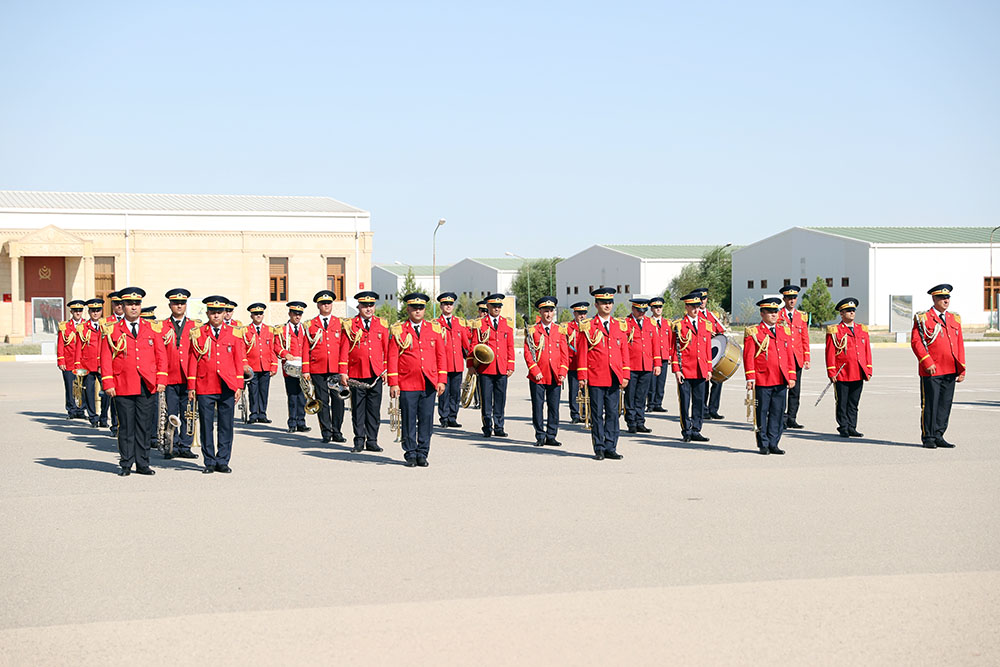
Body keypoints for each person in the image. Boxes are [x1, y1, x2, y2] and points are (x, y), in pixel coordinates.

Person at [100, 287, 167, 476]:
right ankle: (126, 463)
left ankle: (143, 463)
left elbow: (161, 356)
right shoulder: (112, 329)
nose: (134, 307)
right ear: (122, 306)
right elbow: (105, 358)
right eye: (129, 304)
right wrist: (108, 383)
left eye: (137, 304)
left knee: (144, 427)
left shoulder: (152, 328)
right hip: (123, 384)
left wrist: (161, 379)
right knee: (126, 427)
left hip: (147, 384)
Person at [187, 296, 246, 473]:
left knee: (226, 425)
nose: (216, 316)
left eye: (219, 312)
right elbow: (192, 361)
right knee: (206, 425)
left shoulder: (234, 333)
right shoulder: (198, 333)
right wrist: (191, 386)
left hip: (227, 385)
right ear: (207, 313)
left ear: (224, 313)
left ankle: (223, 460)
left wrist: (239, 385)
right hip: (205, 384)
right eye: (213, 312)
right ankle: (209, 461)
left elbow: (238, 360)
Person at [387, 293, 446, 467]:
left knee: (426, 419)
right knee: (409, 420)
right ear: (408, 309)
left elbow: (441, 356)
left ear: (424, 310)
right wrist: (393, 383)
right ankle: (410, 452)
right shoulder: (399, 330)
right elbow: (392, 357)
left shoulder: (434, 329)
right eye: (414, 308)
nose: (418, 311)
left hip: (428, 382)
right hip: (407, 382)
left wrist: (441, 379)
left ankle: (423, 452)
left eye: (421, 308)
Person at [575, 287, 630, 460]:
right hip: (596, 376)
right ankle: (599, 447)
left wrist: (626, 374)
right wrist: (582, 376)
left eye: (610, 302)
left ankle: (611, 446)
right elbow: (582, 353)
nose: (607, 305)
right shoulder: (588, 326)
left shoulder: (619, 325)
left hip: (614, 376)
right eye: (604, 303)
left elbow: (624, 351)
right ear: (596, 305)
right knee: (597, 414)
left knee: (613, 413)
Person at [911, 284, 966, 449]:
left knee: (944, 404)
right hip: (932, 369)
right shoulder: (923, 318)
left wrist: (961, 368)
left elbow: (959, 344)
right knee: (930, 404)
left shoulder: (954, 318)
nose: (946, 300)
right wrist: (926, 361)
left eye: (947, 297)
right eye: (942, 298)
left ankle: (939, 435)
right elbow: (916, 342)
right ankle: (928, 436)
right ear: (934, 299)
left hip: (950, 368)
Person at [743, 297, 797, 455]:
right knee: (761, 413)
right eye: (770, 312)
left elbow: (789, 355)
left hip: (780, 378)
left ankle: (774, 442)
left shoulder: (784, 331)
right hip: (763, 379)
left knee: (778, 412)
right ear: (762, 314)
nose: (774, 314)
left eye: (776, 311)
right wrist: (750, 377)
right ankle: (763, 443)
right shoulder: (754, 332)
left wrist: (791, 375)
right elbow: (748, 356)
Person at [338, 291, 389, 453]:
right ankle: (359, 441)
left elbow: (387, 350)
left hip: (376, 374)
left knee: (374, 409)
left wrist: (386, 370)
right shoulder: (350, 325)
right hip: (357, 373)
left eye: (371, 305)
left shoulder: (382, 324)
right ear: (358, 307)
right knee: (358, 409)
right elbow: (344, 350)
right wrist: (343, 372)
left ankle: (372, 441)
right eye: (365, 306)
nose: (368, 309)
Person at [524, 296, 569, 446]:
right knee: (538, 407)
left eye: (551, 311)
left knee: (554, 407)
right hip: (538, 376)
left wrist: (562, 372)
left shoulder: (559, 330)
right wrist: (534, 370)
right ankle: (540, 435)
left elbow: (564, 354)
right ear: (540, 312)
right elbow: (528, 353)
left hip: (555, 375)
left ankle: (551, 435)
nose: (549, 314)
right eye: (545, 311)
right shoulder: (533, 330)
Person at [160, 288, 199, 458]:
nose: (179, 306)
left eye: (182, 303)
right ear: (170, 305)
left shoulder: (194, 326)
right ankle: (171, 445)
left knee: (188, 413)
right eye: (176, 303)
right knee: (171, 413)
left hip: (188, 376)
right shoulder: (162, 326)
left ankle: (185, 446)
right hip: (170, 376)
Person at [825, 298, 872, 438]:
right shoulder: (835, 330)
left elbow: (866, 351)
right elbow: (830, 352)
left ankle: (852, 426)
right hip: (843, 372)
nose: (852, 313)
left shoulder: (861, 329)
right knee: (842, 402)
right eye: (848, 311)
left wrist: (868, 369)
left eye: (853, 310)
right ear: (841, 313)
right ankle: (843, 426)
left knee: (854, 402)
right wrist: (831, 371)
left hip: (858, 371)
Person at [470, 293, 515, 437]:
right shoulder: (480, 324)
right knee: (486, 399)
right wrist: (471, 365)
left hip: (501, 367)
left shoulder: (506, 323)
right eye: (494, 306)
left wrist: (511, 365)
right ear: (488, 306)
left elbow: (510, 346)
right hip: (485, 368)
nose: (496, 309)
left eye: (499, 306)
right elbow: (473, 345)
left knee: (500, 399)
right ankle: (487, 426)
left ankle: (499, 426)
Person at [670, 292, 713, 442]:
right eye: (692, 306)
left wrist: (709, 368)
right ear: (686, 307)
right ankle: (686, 430)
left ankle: (696, 429)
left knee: (699, 402)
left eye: (697, 306)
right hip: (685, 369)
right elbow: (674, 349)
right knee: (685, 402)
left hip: (700, 369)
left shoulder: (705, 324)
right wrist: (677, 370)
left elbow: (707, 348)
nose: (696, 309)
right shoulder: (679, 325)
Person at [306, 290, 346, 444]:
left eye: (329, 303)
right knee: (322, 401)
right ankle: (326, 432)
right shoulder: (310, 324)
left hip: (335, 368)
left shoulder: (340, 323)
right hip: (318, 368)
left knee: (338, 400)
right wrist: (305, 370)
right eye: (323, 303)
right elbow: (305, 348)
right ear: (318, 305)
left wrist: (344, 369)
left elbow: (344, 347)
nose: (326, 305)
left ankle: (337, 431)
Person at [624, 297, 661, 433]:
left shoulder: (650, 323)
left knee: (641, 395)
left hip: (646, 365)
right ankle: (631, 422)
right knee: (630, 396)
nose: (642, 313)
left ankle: (640, 421)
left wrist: (657, 364)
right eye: (639, 310)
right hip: (631, 365)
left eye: (644, 311)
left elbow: (655, 344)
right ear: (633, 309)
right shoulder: (626, 323)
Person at [274, 301, 312, 434]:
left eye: (300, 314)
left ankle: (301, 422)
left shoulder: (305, 329)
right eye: (295, 314)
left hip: (303, 367)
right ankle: (292, 423)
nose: (297, 317)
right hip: (290, 368)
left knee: (303, 395)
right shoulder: (282, 329)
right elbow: (276, 345)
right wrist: (285, 354)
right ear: (289, 314)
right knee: (292, 396)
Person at [778, 284, 811, 429]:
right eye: (789, 298)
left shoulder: (801, 316)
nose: (792, 300)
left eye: (794, 298)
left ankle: (792, 417)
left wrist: (807, 358)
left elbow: (805, 338)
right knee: (781, 390)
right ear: (784, 299)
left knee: (795, 391)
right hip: (783, 358)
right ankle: (781, 418)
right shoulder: (778, 315)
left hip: (797, 358)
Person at [435, 292, 468, 428]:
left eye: (450, 304)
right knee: (443, 392)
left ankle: (452, 417)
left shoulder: (459, 323)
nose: (448, 306)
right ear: (441, 306)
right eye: (445, 304)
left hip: (457, 364)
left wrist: (472, 360)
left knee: (455, 392)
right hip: (443, 365)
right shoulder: (436, 324)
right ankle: (444, 417)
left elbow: (466, 344)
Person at [695, 288, 727, 420]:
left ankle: (713, 409)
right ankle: (703, 409)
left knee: (718, 381)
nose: (702, 301)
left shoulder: (712, 315)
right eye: (700, 299)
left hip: (715, 352)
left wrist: (718, 334)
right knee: (703, 383)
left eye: (704, 299)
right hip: (702, 353)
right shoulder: (695, 315)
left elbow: (721, 331)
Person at [244, 302, 278, 424]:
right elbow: (243, 349)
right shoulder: (246, 330)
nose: (258, 316)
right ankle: (253, 414)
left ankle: (262, 413)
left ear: (263, 315)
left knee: (264, 391)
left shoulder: (269, 330)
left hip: (265, 365)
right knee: (253, 391)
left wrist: (274, 365)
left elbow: (273, 349)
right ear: (251, 316)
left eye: (260, 313)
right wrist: (245, 364)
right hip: (252, 366)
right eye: (255, 314)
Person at [73, 298, 105, 427]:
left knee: (106, 393)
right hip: (87, 365)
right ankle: (93, 417)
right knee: (89, 392)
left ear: (101, 311)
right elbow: (78, 348)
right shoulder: (83, 328)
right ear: (89, 312)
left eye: (98, 310)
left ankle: (103, 416)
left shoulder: (106, 326)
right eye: (93, 311)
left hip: (103, 365)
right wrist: (77, 365)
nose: (95, 313)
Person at [99, 291, 124, 434]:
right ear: (112, 305)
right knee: (114, 399)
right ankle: (115, 425)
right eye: (116, 303)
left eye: (121, 303)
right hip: (113, 367)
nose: (119, 306)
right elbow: (101, 347)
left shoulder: (131, 320)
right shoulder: (106, 323)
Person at [57, 300, 86, 419]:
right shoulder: (65, 326)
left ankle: (81, 410)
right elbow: (60, 344)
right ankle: (71, 410)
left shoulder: (86, 325)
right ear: (71, 312)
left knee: (82, 387)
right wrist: (61, 360)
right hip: (69, 361)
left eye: (80, 311)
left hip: (83, 362)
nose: (78, 313)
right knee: (70, 387)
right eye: (75, 311)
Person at [646, 296, 671, 413]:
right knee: (652, 382)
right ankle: (650, 403)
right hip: (652, 356)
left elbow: (670, 339)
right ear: (651, 309)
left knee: (661, 382)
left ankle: (658, 403)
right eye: (655, 307)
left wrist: (669, 354)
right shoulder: (648, 322)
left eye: (660, 306)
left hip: (664, 356)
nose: (658, 309)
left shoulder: (667, 323)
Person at [565, 301, 589, 423]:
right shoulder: (568, 327)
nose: (582, 316)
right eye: (579, 313)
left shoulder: (589, 326)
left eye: (584, 313)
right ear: (574, 313)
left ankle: (586, 413)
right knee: (574, 390)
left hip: (587, 364)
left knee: (587, 391)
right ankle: (575, 414)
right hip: (573, 364)